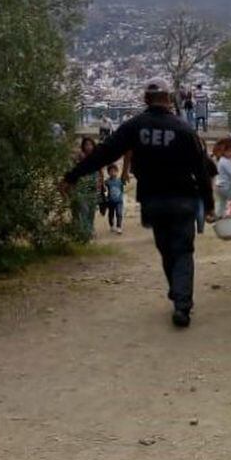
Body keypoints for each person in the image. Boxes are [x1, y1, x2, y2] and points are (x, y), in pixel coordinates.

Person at [63, 78, 214, 327]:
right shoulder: (185, 130)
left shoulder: (135, 126)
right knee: (183, 251)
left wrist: (72, 175)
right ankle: (182, 303)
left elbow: (104, 153)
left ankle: (179, 295)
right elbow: (202, 170)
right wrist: (208, 205)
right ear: (169, 100)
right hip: (183, 200)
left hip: (153, 201)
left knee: (166, 250)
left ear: (146, 99)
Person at [69, 137, 100, 242]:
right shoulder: (78, 159)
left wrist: (100, 185)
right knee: (84, 210)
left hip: (93, 190)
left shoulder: (97, 158)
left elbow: (99, 173)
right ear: (83, 147)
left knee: (91, 212)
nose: (88, 147)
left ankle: (89, 230)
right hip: (80, 189)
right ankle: (85, 233)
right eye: (86, 145)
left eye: (90, 144)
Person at [212, 137, 231, 220]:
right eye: (230, 151)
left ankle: (218, 216)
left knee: (221, 202)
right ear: (224, 152)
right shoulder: (225, 161)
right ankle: (230, 214)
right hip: (225, 186)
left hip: (219, 185)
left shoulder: (221, 160)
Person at [105, 162, 125, 234]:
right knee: (111, 214)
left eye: (114, 171)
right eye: (111, 171)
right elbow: (105, 190)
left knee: (119, 213)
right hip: (110, 201)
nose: (113, 173)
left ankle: (119, 227)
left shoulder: (120, 181)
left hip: (119, 201)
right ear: (108, 173)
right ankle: (111, 225)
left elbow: (122, 189)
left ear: (117, 172)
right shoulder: (107, 182)